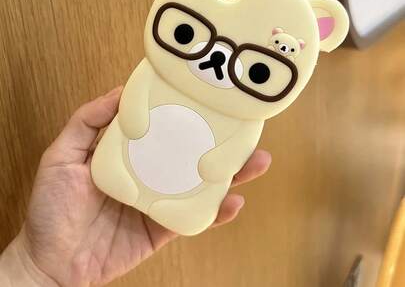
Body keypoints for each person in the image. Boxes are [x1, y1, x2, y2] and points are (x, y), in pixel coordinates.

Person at [0, 87, 271, 286]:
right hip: (123, 170)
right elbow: (134, 113)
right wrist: (37, 270)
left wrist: (37, 273)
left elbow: (225, 158)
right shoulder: (157, 73)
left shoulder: (250, 119)